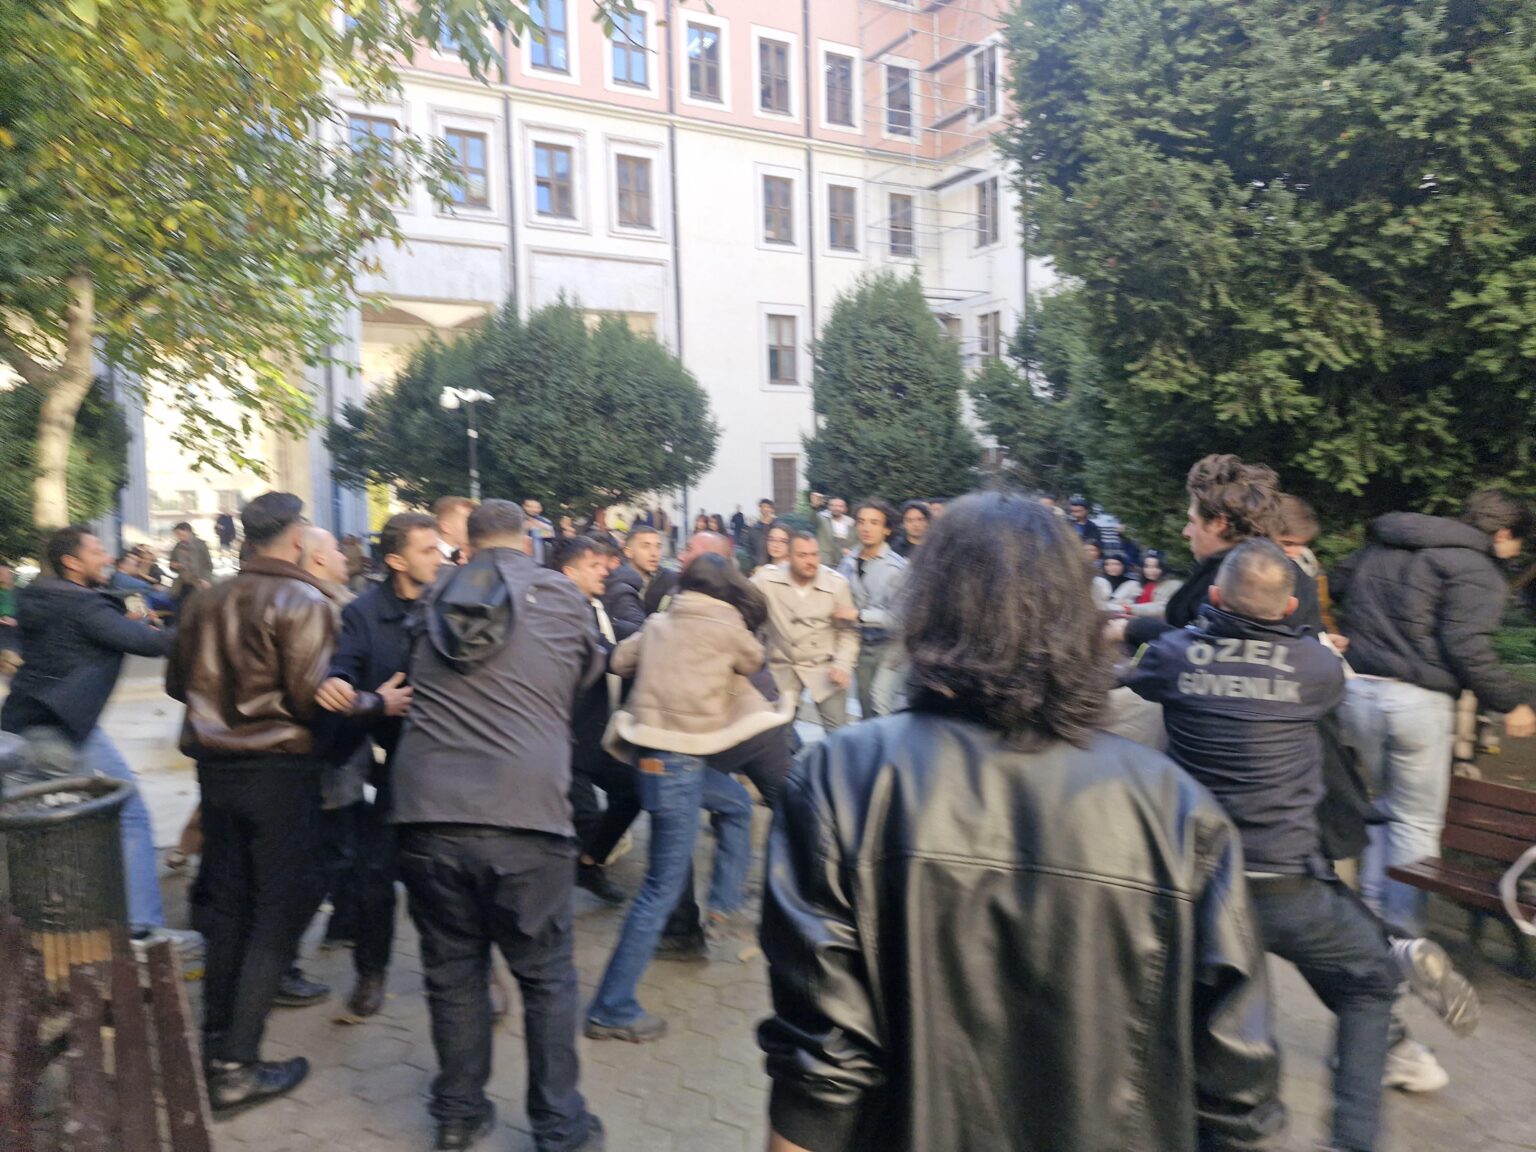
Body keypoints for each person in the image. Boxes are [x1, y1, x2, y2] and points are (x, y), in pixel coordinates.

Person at [758, 493, 1283, 1152]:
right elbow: (1236, 1086)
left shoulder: (841, 780)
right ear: (1075, 615)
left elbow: (822, 1069)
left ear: (929, 607)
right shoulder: (1178, 811)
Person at [1121, 540, 1412, 1152]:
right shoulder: (1317, 667)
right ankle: (1352, 1140)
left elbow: (1136, 670)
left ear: (1215, 595)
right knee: (1370, 982)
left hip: (1195, 890)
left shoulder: (1172, 656)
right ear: (1288, 608)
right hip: (1287, 889)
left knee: (1189, 1017)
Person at [168, 493, 403, 1114]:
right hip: (278, 775)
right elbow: (312, 699)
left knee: (229, 909)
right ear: (297, 539)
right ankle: (235, 1066)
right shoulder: (303, 601)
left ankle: (217, 1048)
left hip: (216, 773)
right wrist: (378, 703)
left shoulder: (207, 599)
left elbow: (177, 683)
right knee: (276, 912)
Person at [389, 500, 607, 1152]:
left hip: (427, 812)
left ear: (468, 543)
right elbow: (584, 682)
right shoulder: (561, 596)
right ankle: (559, 1128)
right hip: (526, 812)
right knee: (545, 978)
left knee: (453, 970)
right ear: (528, 539)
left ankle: (458, 1116)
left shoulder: (434, 597)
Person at [585, 554, 785, 1044]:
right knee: (658, 890)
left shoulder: (658, 623)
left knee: (736, 805)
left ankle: (722, 905)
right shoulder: (728, 626)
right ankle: (610, 1007)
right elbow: (755, 661)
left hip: (652, 760)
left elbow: (618, 660)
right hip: (680, 764)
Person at [1333, 489, 1536, 936]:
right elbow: (1467, 647)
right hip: (1416, 704)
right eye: (1518, 542)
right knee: (1416, 823)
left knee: (1386, 807)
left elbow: (1336, 584)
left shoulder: (1387, 543)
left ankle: (1372, 921)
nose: (1515, 553)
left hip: (1358, 693)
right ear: (1504, 534)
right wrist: (1512, 703)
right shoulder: (1477, 568)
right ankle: (1405, 939)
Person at [1, 526, 189, 950]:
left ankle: (32, 930)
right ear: (71, 562)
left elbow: (89, 625)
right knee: (129, 813)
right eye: (96, 551)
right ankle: (140, 930)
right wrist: (199, 621)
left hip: (23, 723)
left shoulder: (38, 595)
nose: (106, 558)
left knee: (25, 827)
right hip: (62, 728)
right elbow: (151, 644)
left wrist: (120, 618)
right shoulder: (83, 606)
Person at [314, 512, 443, 1018]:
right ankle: (371, 972)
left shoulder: (454, 602)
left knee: (450, 880)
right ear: (396, 560)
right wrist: (347, 688)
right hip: (394, 766)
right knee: (375, 877)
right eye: (427, 550)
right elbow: (345, 666)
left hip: (451, 766)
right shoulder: (364, 613)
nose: (440, 557)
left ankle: (472, 972)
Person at [550, 534, 639, 907]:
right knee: (585, 818)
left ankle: (588, 863)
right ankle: (570, 877)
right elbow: (600, 656)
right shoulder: (555, 614)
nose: (605, 571)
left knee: (634, 791)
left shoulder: (594, 607)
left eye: (605, 564)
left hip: (594, 736)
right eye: (595, 566)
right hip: (561, 739)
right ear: (569, 572)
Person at [754, 532, 858, 732]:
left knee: (838, 731)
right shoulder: (767, 580)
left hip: (824, 665)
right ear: (788, 557)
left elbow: (848, 633)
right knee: (779, 730)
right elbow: (741, 602)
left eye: (814, 554)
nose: (810, 561)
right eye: (802, 555)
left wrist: (843, 665)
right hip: (783, 665)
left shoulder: (836, 584)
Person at [838, 500, 908, 720]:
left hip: (892, 645)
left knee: (881, 702)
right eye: (861, 522)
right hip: (861, 644)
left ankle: (891, 742)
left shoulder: (897, 567)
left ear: (886, 529)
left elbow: (902, 617)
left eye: (874, 523)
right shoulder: (847, 562)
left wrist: (859, 615)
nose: (866, 528)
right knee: (866, 705)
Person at [1275, 494, 1344, 638]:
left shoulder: (1311, 568)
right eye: (1287, 543)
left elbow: (1320, 614)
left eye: (1303, 544)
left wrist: (1326, 637)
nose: (1297, 552)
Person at [602, 525, 663, 638]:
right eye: (645, 546)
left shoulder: (668, 580)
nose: (654, 553)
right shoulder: (617, 583)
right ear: (628, 552)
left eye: (658, 547)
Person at [1128, 549, 1183, 619]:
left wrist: (1130, 608)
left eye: (1156, 567)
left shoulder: (1174, 585)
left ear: (1165, 567)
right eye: (1147, 566)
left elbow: (1163, 608)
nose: (1151, 570)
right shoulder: (1137, 584)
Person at [169, 520, 214, 603]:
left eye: (180, 534)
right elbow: (172, 564)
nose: (179, 537)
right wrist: (174, 566)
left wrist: (206, 579)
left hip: (199, 582)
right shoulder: (177, 547)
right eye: (177, 535)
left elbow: (208, 565)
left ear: (187, 531)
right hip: (183, 583)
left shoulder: (201, 545)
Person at [434, 495, 475, 565]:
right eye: (468, 521)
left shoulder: (466, 556)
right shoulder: (432, 558)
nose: (473, 526)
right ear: (446, 527)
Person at [816, 496, 855, 568]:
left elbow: (856, 540)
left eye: (839, 506)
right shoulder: (822, 518)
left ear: (845, 508)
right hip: (825, 560)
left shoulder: (851, 522)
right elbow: (812, 518)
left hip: (843, 561)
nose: (836, 508)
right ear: (828, 507)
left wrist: (851, 550)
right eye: (833, 505)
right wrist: (814, 506)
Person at [748, 499, 779, 566]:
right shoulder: (755, 528)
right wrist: (755, 561)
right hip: (759, 564)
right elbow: (750, 548)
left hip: (776, 563)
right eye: (763, 506)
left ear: (772, 510)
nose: (765, 509)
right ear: (759, 509)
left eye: (768, 507)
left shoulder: (778, 526)